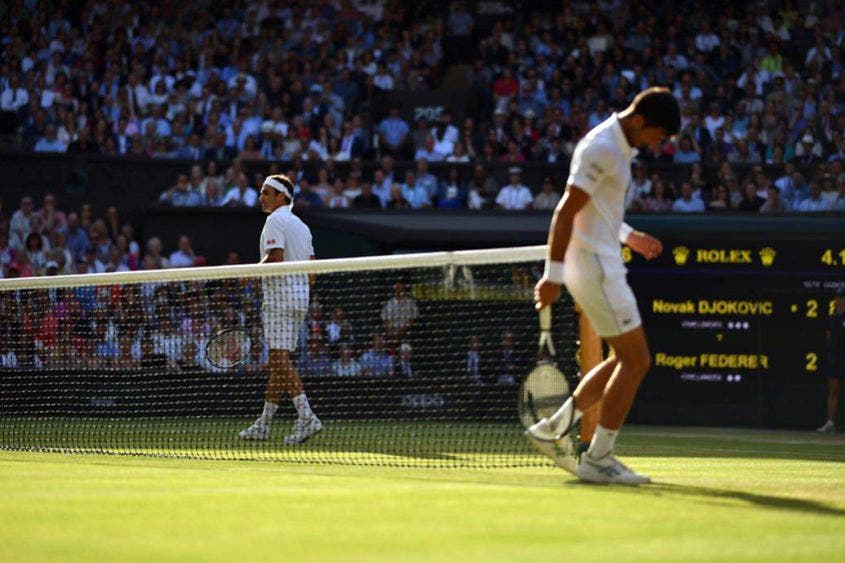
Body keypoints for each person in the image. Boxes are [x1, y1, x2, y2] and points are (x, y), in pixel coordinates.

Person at [526, 87, 680, 485]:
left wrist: (630, 237)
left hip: (601, 262)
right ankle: (599, 457)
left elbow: (599, 211)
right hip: (595, 268)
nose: (654, 145)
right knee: (638, 361)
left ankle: (554, 426)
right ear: (640, 121)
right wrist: (552, 276)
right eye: (657, 137)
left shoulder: (616, 147)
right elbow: (565, 211)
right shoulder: (603, 148)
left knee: (620, 359)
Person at [239, 174, 322, 445]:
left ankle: (307, 416)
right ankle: (263, 424)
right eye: (261, 192)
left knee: (277, 359)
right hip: (300, 299)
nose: (261, 197)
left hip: (281, 300)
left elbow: (274, 258)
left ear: (281, 197)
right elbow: (311, 274)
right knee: (279, 361)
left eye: (266, 193)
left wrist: (248, 273)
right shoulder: (303, 226)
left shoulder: (275, 220)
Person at [818, 290, 845, 433]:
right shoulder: (832, 318)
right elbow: (828, 338)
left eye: (841, 298)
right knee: (833, 391)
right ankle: (830, 422)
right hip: (835, 359)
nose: (839, 300)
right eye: (837, 298)